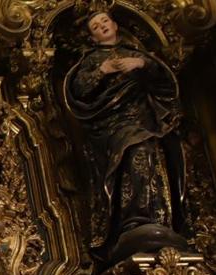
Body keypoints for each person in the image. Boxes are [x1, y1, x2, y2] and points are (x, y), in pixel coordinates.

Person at [63, 11, 187, 261]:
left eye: (104, 21)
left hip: (145, 120)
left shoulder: (137, 54)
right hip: (113, 124)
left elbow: (164, 82)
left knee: (155, 157)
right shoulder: (91, 60)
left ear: (115, 25)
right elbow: (78, 89)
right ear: (92, 37)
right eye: (96, 26)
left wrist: (141, 63)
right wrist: (102, 70)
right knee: (134, 154)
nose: (102, 26)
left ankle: (158, 216)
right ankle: (134, 218)